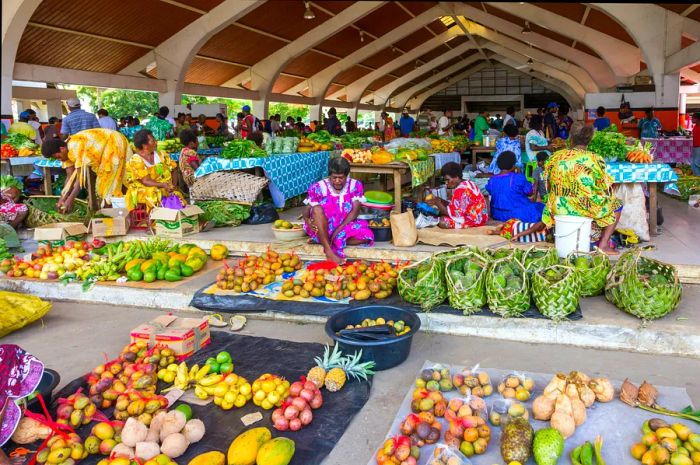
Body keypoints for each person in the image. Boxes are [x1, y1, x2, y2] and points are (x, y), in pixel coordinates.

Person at [543, 125, 622, 254]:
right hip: (585, 206)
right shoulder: (596, 159)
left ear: (571, 139)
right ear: (589, 140)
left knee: (551, 198)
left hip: (558, 206)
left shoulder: (555, 157)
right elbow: (603, 187)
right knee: (617, 204)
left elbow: (547, 185)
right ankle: (603, 244)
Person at [302, 157, 374, 264]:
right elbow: (307, 208)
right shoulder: (318, 187)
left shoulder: (355, 186)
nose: (337, 181)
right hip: (323, 225)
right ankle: (328, 250)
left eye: (341, 178)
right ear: (329, 175)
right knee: (316, 209)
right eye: (334, 177)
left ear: (347, 175)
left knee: (367, 236)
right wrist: (308, 220)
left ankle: (324, 239)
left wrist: (338, 230)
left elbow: (354, 212)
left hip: (344, 225)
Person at [41, 128, 130, 212]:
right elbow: (70, 177)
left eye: (58, 157)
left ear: (62, 149)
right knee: (108, 184)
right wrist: (62, 198)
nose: (59, 159)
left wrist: (70, 199)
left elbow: (80, 179)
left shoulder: (75, 147)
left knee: (107, 185)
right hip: (107, 146)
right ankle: (118, 211)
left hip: (114, 142)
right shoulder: (65, 151)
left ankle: (112, 215)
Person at [124, 129, 183, 211]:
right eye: (153, 141)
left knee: (177, 198)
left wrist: (174, 186)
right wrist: (163, 185)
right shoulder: (136, 160)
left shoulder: (162, 155)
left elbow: (174, 168)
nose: (156, 142)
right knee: (153, 194)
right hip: (146, 191)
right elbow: (145, 181)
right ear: (145, 146)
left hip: (164, 188)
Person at [486, 151, 544, 223]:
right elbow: (530, 192)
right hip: (517, 214)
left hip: (497, 214)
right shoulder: (518, 177)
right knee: (541, 208)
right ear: (513, 165)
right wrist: (521, 174)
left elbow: (490, 190)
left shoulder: (492, 179)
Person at [427, 162, 488, 229]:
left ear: (456, 177)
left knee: (441, 221)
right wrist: (442, 201)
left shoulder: (460, 190)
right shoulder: (468, 183)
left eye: (447, 180)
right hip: (482, 218)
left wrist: (437, 203)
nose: (446, 183)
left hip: (474, 221)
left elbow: (454, 214)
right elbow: (457, 205)